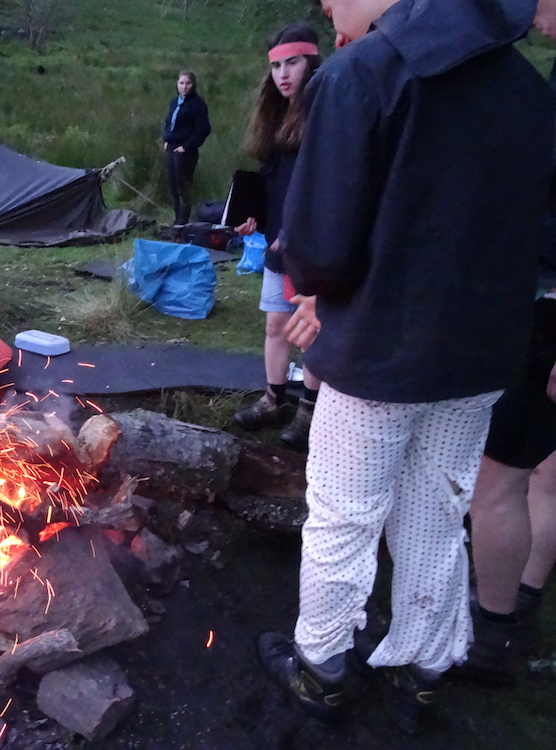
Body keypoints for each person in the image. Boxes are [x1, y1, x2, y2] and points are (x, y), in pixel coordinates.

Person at [256, 0, 555, 735]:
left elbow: (320, 249)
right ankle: (425, 665)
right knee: (437, 510)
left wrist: (308, 274)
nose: (327, 5)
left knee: (344, 516)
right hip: (481, 355)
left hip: (380, 355)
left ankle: (321, 667)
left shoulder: (361, 76)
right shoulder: (525, 85)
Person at [461, 0, 556, 675]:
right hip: (539, 296)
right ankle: (520, 604)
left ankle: (490, 638)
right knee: (540, 474)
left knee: (497, 482)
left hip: (546, 309)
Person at [232, 22, 324, 452]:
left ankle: (310, 408)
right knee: (276, 324)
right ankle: (274, 399)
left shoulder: (326, 113)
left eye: (293, 63)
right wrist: (252, 216)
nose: (283, 74)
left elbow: (327, 187)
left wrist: (294, 233)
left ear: (312, 63)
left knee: (310, 328)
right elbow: (275, 183)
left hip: (314, 244)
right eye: (276, 66)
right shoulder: (273, 117)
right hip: (276, 244)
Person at [162, 69, 211, 226]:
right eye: (181, 83)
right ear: (177, 84)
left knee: (183, 189)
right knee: (173, 189)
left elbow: (204, 129)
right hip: (171, 148)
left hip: (185, 152)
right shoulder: (174, 102)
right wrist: (166, 139)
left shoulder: (197, 104)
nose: (184, 87)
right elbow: (169, 122)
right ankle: (177, 221)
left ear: (193, 85)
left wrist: (186, 146)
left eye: (188, 83)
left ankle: (182, 224)